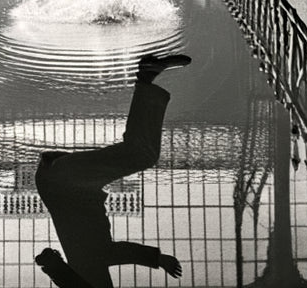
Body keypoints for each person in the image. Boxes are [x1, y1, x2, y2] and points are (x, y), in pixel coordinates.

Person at [34, 53, 191, 288]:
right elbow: (52, 264)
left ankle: (146, 78)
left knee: (142, 154)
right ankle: (146, 79)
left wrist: (158, 259)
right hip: (61, 181)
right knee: (140, 153)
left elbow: (113, 253)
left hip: (66, 184)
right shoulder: (84, 266)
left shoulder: (90, 265)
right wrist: (49, 262)